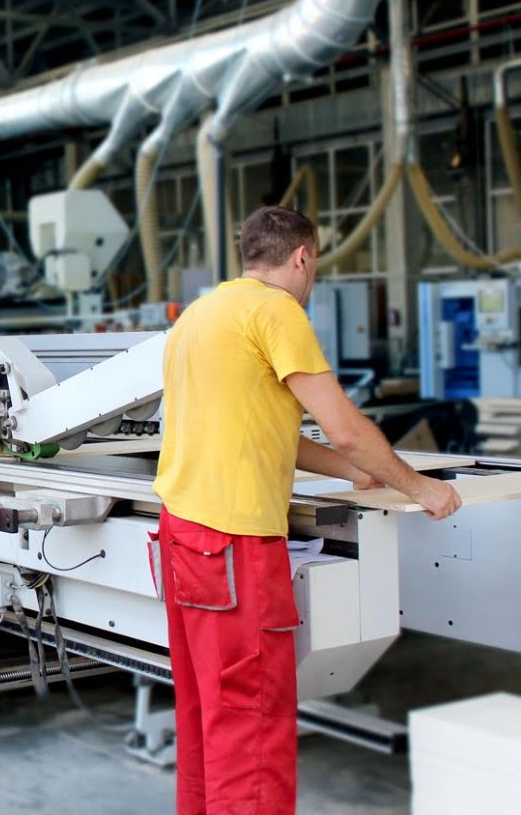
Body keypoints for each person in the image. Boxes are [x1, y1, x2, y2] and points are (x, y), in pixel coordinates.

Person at [151, 205, 461, 815]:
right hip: (235, 544)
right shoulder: (277, 311)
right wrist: (419, 487)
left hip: (183, 535)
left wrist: (356, 472)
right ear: (302, 257)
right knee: (252, 727)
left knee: (207, 716)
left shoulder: (200, 316)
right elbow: (344, 426)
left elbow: (271, 429)